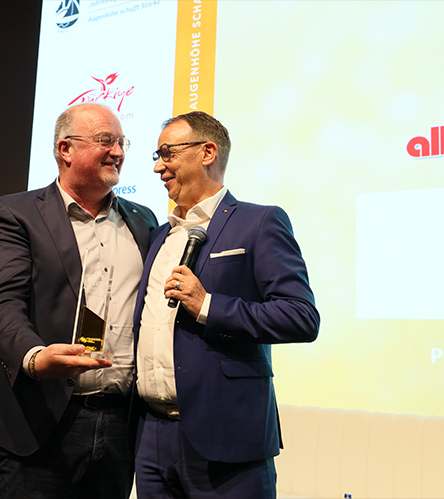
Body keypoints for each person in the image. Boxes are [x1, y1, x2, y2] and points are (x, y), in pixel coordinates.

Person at [131, 111, 320, 498]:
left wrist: (207, 305)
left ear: (207, 152)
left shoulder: (259, 222)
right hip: (150, 437)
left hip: (227, 437)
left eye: (167, 153)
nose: (157, 167)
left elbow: (300, 316)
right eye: (156, 155)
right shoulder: (158, 236)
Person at [0, 103, 157, 499]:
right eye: (105, 141)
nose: (117, 152)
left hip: (120, 425)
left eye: (122, 142)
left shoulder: (143, 220)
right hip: (42, 421)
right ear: (65, 149)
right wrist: (34, 358)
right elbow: (1, 303)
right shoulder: (18, 213)